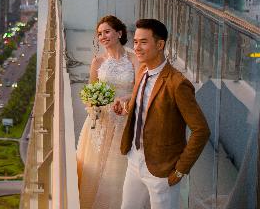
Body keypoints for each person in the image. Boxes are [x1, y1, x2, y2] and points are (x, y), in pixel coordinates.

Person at [116, 19, 210, 209]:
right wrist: (126, 108)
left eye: (143, 42)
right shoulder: (142, 70)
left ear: (160, 45)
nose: (137, 47)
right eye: (135, 42)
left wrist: (180, 170)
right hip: (135, 160)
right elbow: (145, 107)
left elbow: (201, 130)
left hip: (162, 171)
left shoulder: (178, 84)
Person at [77, 15, 139, 209]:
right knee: (95, 166)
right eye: (99, 34)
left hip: (124, 118)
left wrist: (125, 100)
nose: (102, 36)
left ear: (119, 33)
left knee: (119, 168)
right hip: (101, 121)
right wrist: (93, 107)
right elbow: (89, 92)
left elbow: (138, 88)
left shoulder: (134, 58)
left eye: (107, 31)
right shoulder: (97, 62)